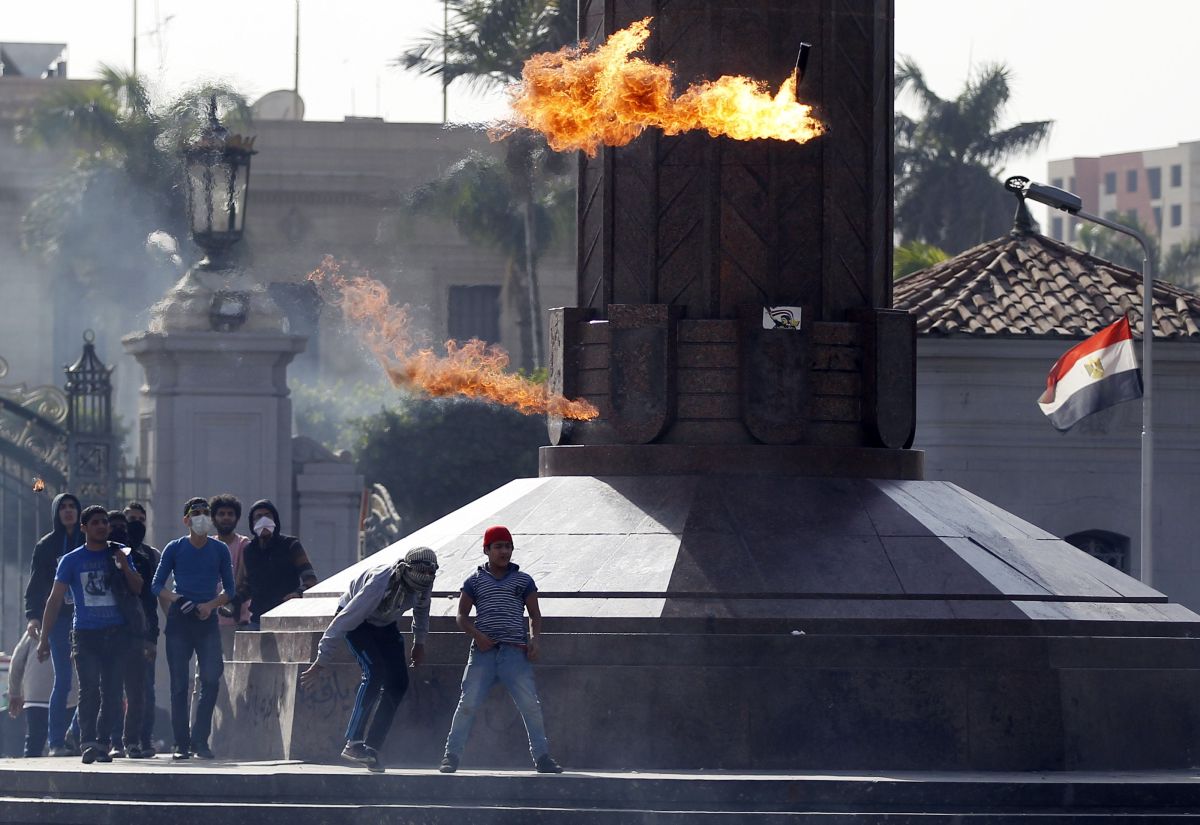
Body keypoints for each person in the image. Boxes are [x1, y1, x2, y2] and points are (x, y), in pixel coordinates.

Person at [299, 547, 439, 772]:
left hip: (385, 623)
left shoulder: (424, 584)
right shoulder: (380, 582)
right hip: (358, 622)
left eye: (430, 574)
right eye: (420, 575)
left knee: (398, 683)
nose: (425, 580)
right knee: (375, 673)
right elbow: (345, 619)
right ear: (405, 570)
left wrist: (419, 642)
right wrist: (321, 659)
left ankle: (372, 747)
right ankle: (353, 743)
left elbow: (422, 611)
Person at [439, 526, 562, 774]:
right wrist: (477, 636)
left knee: (530, 705)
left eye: (508, 546)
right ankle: (451, 756)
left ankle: (542, 757)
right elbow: (461, 615)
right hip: (483, 653)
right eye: (498, 546)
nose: (504, 551)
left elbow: (534, 614)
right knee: (467, 704)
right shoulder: (473, 581)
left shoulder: (523, 580)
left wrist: (535, 639)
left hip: (515, 653)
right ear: (486, 550)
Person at [36, 505, 145, 764]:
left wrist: (124, 566)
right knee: (89, 689)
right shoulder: (71, 560)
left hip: (117, 633)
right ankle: (87, 742)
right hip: (85, 634)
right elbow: (54, 599)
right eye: (95, 522)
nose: (101, 526)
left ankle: (102, 742)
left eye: (104, 522)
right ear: (84, 528)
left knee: (112, 691)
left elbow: (138, 587)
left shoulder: (119, 552)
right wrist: (43, 639)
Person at [150, 496, 234, 760]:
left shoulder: (220, 550)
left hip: (206, 620)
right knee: (178, 684)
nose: (202, 518)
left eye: (205, 513)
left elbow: (230, 590)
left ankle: (200, 740)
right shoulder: (174, 548)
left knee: (211, 679)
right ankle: (180, 743)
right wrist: (177, 599)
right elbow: (156, 586)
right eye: (196, 513)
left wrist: (211, 605)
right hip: (180, 621)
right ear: (186, 520)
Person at [23, 492, 83, 756]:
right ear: (57, 513)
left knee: (96, 680)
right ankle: (56, 742)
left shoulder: (90, 541)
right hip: (58, 619)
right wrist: (33, 616)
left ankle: (76, 734)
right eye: (64, 508)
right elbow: (36, 585)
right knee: (64, 679)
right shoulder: (46, 546)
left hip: (90, 619)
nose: (68, 511)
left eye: (73, 507)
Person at [101, 509, 157, 758]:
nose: (118, 530)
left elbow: (147, 599)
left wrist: (151, 637)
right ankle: (114, 741)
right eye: (111, 526)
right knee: (110, 691)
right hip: (105, 632)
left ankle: (135, 740)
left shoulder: (141, 558)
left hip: (135, 632)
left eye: (122, 526)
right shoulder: (96, 557)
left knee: (139, 691)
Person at [235, 499, 318, 629]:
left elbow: (311, 579)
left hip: (287, 617)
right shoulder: (249, 551)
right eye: (258, 517)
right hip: (259, 619)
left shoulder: (291, 545)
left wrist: (298, 593)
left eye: (268, 515)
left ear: (275, 520)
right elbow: (248, 587)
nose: (264, 520)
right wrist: (234, 600)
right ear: (252, 524)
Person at [122, 501, 161, 756]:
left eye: (140, 518)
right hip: (115, 630)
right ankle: (117, 739)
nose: (136, 522)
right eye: (131, 518)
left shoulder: (152, 555)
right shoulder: (113, 551)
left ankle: (144, 739)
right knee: (113, 690)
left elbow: (156, 594)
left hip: (145, 630)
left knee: (146, 688)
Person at [7, 626, 78, 757]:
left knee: (34, 741)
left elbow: (16, 661)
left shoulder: (34, 630)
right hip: (68, 698)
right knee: (66, 745)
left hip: (36, 694)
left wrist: (14, 692)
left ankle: (27, 773)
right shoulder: (73, 627)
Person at [210, 494, 252, 627]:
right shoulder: (208, 545)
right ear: (213, 518)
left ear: (237, 518)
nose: (226, 517)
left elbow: (242, 577)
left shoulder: (243, 544)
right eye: (221, 514)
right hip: (211, 619)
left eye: (230, 514)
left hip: (238, 618)